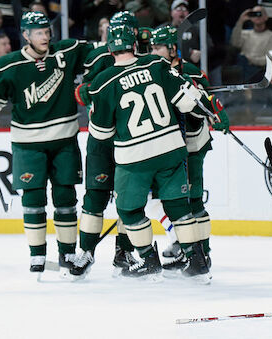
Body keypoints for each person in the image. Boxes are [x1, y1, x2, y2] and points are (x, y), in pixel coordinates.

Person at [87, 24, 227, 283]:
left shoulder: (102, 81)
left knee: (129, 210)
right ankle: (196, 260)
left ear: (110, 49)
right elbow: (189, 101)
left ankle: (148, 260)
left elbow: (101, 134)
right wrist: (213, 110)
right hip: (172, 149)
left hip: (134, 157)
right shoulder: (156, 65)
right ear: (134, 44)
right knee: (177, 205)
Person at [0, 11, 93, 276]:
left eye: (47, 31)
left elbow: (98, 57)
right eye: (39, 33)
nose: (45, 37)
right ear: (25, 35)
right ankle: (37, 255)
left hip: (64, 139)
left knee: (65, 196)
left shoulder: (66, 52)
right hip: (28, 143)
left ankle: (68, 253)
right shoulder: (9, 65)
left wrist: (92, 83)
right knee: (34, 198)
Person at [70, 11, 148, 279]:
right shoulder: (99, 57)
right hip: (103, 139)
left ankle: (123, 252)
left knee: (130, 199)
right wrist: (85, 91)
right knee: (95, 196)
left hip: (133, 139)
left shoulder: (148, 59)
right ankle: (87, 251)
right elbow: (87, 92)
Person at [147, 25, 229, 273]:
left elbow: (204, 104)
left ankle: (202, 253)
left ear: (172, 49)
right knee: (163, 201)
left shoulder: (191, 72)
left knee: (193, 201)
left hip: (193, 144)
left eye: (158, 47)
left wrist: (216, 110)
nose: (154, 52)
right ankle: (180, 242)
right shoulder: (153, 71)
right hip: (168, 146)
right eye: (151, 47)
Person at [230, 5, 272, 82]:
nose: (257, 16)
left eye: (259, 13)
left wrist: (250, 58)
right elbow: (234, 43)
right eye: (254, 14)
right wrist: (241, 21)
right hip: (243, 68)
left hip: (261, 71)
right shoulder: (245, 33)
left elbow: (270, 60)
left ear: (266, 17)